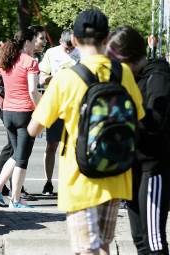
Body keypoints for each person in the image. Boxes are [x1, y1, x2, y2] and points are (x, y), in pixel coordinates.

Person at [27, 9, 145, 255]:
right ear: (106, 39)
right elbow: (139, 117)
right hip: (116, 174)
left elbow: (33, 128)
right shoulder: (122, 73)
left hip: (80, 176)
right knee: (103, 246)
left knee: (87, 250)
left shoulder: (66, 78)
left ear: (75, 41)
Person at [106, 26, 170, 255]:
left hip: (152, 167)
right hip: (132, 165)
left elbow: (155, 120)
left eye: (114, 60)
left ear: (128, 57)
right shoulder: (129, 77)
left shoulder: (158, 75)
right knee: (140, 239)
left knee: (153, 241)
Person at [0, 26, 46, 200]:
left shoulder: (6, 59)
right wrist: (41, 111)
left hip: (8, 113)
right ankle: (15, 199)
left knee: (16, 154)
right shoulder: (30, 62)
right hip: (24, 113)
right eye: (34, 40)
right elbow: (33, 91)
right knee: (21, 157)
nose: (35, 43)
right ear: (27, 42)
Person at [38, 29, 80, 196]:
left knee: (73, 147)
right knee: (51, 145)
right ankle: (48, 182)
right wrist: (54, 76)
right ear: (60, 42)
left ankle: (71, 183)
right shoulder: (51, 52)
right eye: (66, 48)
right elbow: (41, 79)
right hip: (55, 104)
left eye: (71, 48)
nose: (68, 50)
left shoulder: (82, 52)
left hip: (75, 105)